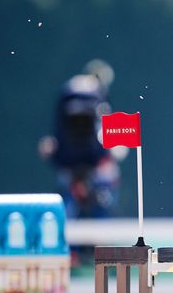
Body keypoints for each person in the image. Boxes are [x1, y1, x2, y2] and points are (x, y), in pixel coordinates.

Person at [38, 59, 123, 218]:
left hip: (67, 163)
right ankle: (103, 235)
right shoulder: (100, 94)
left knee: (66, 205)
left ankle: (64, 234)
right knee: (105, 200)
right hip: (95, 164)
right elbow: (105, 130)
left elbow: (56, 129)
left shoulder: (68, 90)